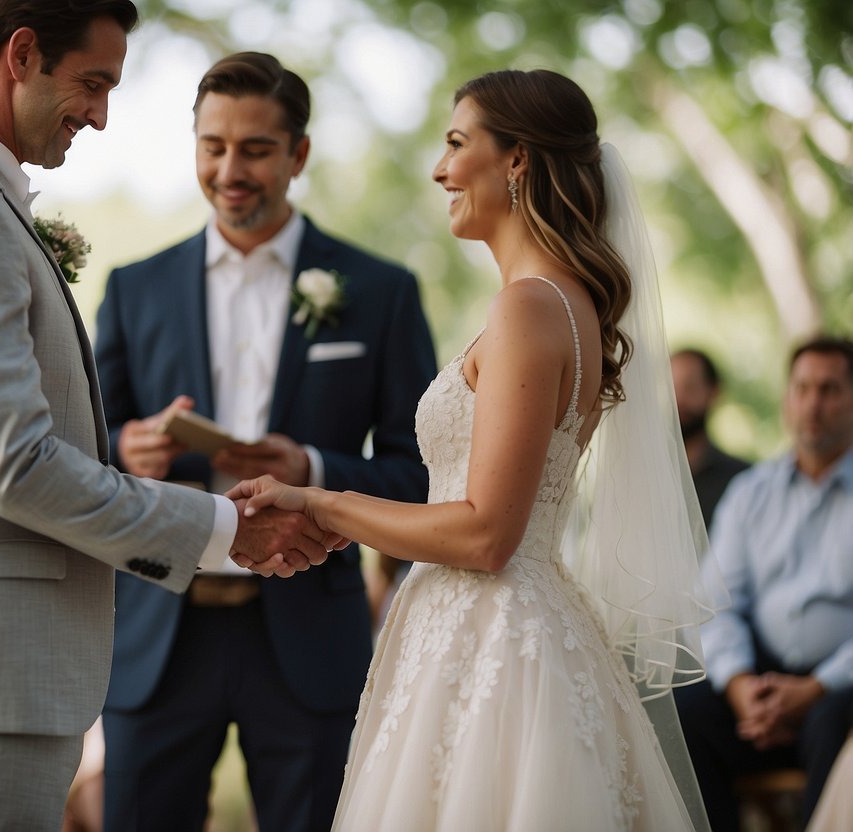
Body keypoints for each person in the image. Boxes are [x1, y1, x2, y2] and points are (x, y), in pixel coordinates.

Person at [0, 4, 337, 829]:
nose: (102, 117)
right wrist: (223, 528)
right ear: (23, 53)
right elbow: (18, 468)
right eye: (93, 83)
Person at [229, 69, 714, 829]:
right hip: (491, 624)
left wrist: (324, 501)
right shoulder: (555, 303)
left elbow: (486, 533)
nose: (439, 168)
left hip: (493, 639)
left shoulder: (529, 307)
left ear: (516, 160)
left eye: (457, 144)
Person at [93, 51, 436, 831]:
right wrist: (129, 446)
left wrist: (311, 470)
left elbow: (419, 476)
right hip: (158, 632)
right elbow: (81, 449)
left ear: (298, 155)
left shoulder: (380, 292)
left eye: (253, 149)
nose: (228, 169)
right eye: (211, 146)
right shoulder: (132, 286)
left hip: (310, 635)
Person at [675, 336, 853, 831]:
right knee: (686, 713)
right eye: (802, 388)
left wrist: (816, 688)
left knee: (832, 718)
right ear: (787, 398)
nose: (813, 404)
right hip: (758, 683)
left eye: (830, 389)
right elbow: (716, 603)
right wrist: (738, 685)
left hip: (840, 686)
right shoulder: (751, 493)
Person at [671, 348, 750, 529]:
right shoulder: (646, 473)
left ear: (714, 392)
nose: (679, 399)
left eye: (690, 387)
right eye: (671, 388)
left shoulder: (741, 480)